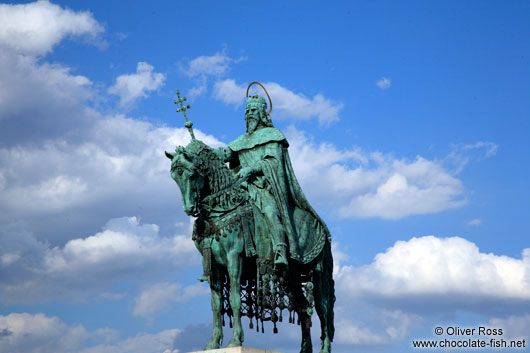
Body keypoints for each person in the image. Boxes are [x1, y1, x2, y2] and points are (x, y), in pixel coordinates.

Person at [216, 95, 331, 269]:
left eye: (253, 110)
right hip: (242, 187)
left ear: (262, 112)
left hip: (263, 187)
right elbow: (224, 154)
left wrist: (251, 169)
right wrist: (203, 151)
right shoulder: (240, 141)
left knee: (270, 210)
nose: (249, 115)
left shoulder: (273, 135)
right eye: (246, 112)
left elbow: (273, 161)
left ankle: (280, 250)